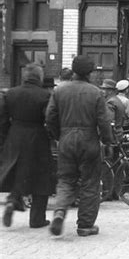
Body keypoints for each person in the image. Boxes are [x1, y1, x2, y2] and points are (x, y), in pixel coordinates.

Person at [45, 55, 112, 237]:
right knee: (90, 183)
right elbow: (104, 122)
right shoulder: (96, 92)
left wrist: (59, 135)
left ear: (74, 71)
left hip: (66, 139)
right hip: (89, 140)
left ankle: (59, 211)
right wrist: (108, 141)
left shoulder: (60, 91)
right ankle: (85, 225)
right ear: (89, 72)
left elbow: (50, 117)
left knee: (66, 180)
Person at [0, 63, 55, 228]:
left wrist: (6, 138)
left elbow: (2, 119)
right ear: (40, 77)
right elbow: (50, 119)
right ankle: (37, 219)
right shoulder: (45, 95)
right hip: (37, 136)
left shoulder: (10, 94)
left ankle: (12, 199)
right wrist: (52, 136)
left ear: (25, 76)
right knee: (42, 177)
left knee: (18, 171)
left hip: (15, 135)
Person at [100, 79, 126, 143]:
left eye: (104, 89)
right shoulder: (117, 100)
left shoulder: (110, 102)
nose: (102, 91)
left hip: (112, 136)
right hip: (118, 134)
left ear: (110, 91)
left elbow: (109, 122)